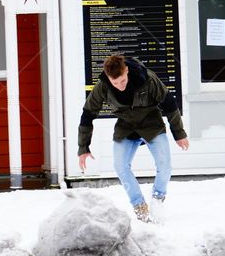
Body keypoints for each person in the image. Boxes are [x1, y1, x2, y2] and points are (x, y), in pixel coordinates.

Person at [78, 54, 189, 222]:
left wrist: (179, 134)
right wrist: (83, 147)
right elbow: (88, 114)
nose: (120, 86)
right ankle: (140, 206)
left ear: (127, 70)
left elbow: (169, 104)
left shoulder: (148, 79)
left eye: (122, 80)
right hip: (126, 126)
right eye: (115, 83)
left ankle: (157, 201)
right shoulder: (103, 86)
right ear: (108, 78)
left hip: (152, 124)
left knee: (165, 166)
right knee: (120, 166)